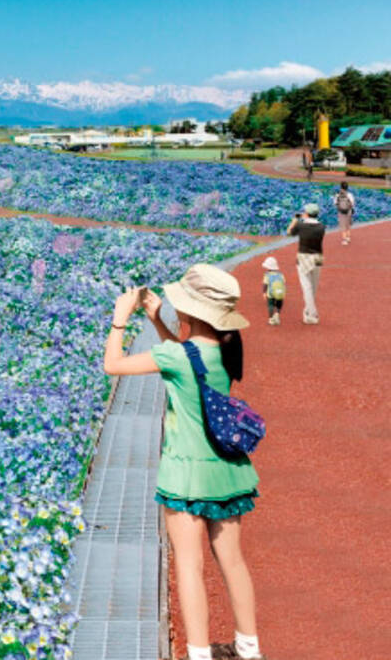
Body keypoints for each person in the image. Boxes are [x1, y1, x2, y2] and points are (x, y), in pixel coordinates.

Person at [102, 266, 261, 660]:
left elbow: (113, 365)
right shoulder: (225, 348)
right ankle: (249, 647)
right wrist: (157, 321)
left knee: (189, 567)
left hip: (185, 476)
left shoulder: (174, 355)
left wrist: (120, 319)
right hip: (227, 472)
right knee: (233, 564)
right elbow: (191, 361)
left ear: (189, 312)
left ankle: (199, 653)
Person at [286, 202, 325, 324]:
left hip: (303, 257)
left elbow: (289, 233)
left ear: (307, 213)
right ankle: (308, 312)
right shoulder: (321, 227)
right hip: (317, 257)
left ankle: (312, 314)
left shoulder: (300, 225)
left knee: (306, 287)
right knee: (313, 286)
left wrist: (295, 221)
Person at [260, 256, 285, 326]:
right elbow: (283, 283)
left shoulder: (267, 275)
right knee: (279, 304)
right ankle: (277, 314)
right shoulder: (281, 275)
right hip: (280, 293)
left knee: (270, 305)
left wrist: (264, 293)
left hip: (270, 294)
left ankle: (271, 319)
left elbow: (265, 285)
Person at [334, 181, 355, 245]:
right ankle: (348, 237)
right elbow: (352, 203)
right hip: (348, 211)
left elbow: (335, 203)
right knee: (348, 224)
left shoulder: (337, 195)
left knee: (343, 226)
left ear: (340, 187)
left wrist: (339, 207)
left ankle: (344, 240)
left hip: (341, 211)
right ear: (347, 187)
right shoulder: (350, 195)